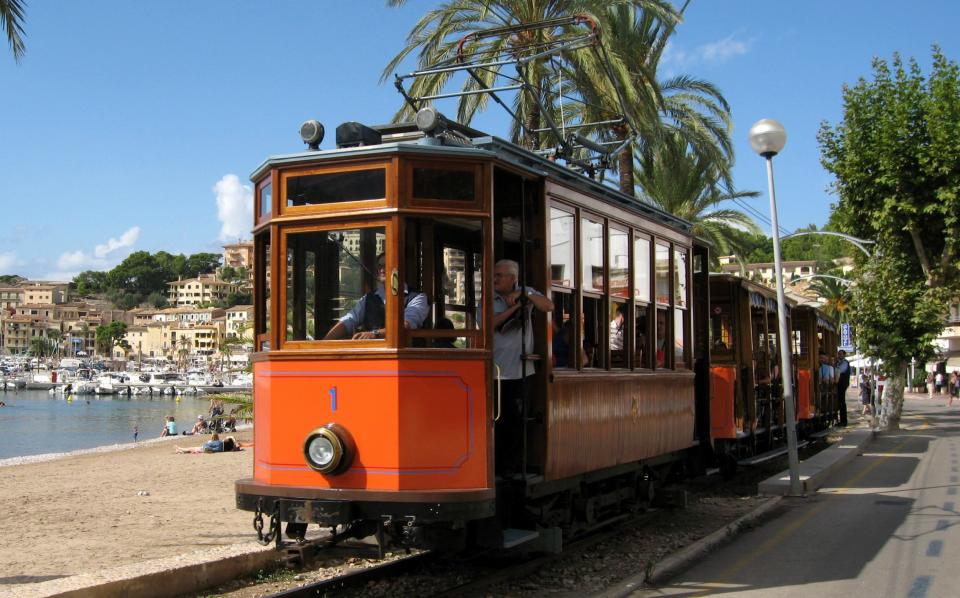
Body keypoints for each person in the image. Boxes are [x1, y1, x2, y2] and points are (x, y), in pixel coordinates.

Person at [493, 259, 553, 476]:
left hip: (520, 371)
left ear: (513, 278)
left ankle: (512, 468)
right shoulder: (490, 298)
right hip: (495, 372)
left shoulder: (526, 292)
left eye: (500, 275)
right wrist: (517, 307)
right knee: (498, 423)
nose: (495, 279)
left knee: (516, 423)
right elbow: (490, 323)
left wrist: (525, 296)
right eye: (494, 275)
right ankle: (497, 467)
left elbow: (548, 306)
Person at [323, 253, 428, 340]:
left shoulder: (418, 297)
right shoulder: (368, 298)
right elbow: (349, 320)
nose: (382, 269)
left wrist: (375, 334)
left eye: (386, 265)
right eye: (380, 266)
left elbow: (406, 325)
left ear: (398, 268)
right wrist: (324, 343)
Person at [836, 350, 851, 426]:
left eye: (840, 354)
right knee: (840, 401)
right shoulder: (839, 362)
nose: (839, 355)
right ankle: (842, 421)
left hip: (843, 383)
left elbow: (841, 371)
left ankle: (844, 421)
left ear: (844, 355)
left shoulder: (845, 362)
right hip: (840, 383)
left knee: (842, 402)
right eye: (838, 354)